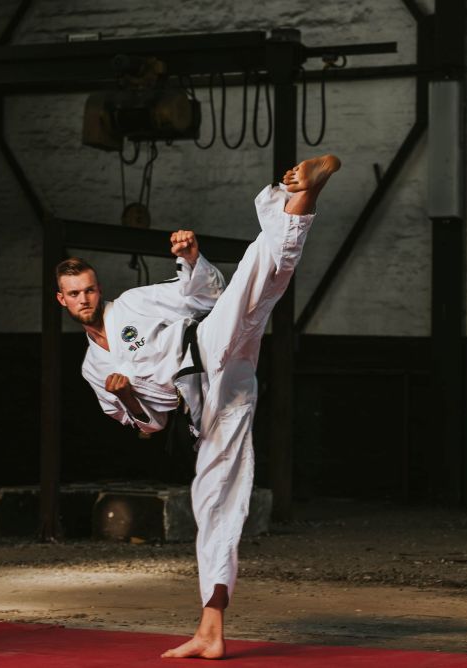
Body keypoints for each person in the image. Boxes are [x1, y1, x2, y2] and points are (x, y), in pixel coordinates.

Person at [54, 155, 340, 659]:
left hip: (207, 348)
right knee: (214, 505)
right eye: (75, 294)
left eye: (91, 288)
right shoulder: (92, 371)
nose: (85, 298)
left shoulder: (137, 302)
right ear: (62, 300)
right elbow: (150, 424)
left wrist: (190, 258)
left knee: (256, 279)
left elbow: (206, 295)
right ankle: (212, 627)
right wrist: (126, 395)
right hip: (211, 405)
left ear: (100, 287)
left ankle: (307, 191)